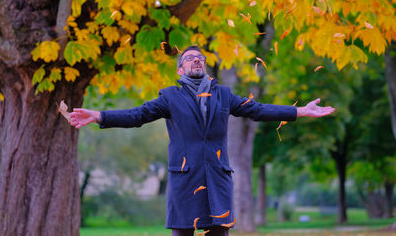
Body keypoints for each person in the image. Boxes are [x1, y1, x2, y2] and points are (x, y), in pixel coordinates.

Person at [69, 46, 335, 236]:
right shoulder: (169, 97)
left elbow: (257, 110)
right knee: (182, 233)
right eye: (190, 58)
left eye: (200, 58)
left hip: (217, 176)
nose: (196, 60)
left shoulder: (224, 95)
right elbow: (137, 115)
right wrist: (99, 115)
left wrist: (298, 111)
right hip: (185, 178)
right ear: (180, 67)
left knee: (219, 232)